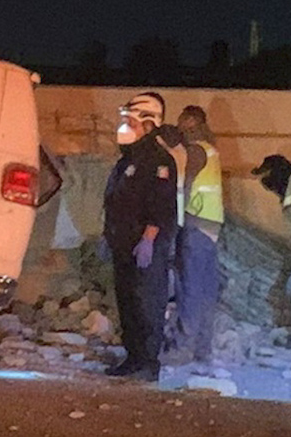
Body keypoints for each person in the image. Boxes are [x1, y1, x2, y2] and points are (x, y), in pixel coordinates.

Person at [103, 92, 177, 381]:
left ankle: (147, 363)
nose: (125, 127)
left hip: (145, 246)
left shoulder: (159, 160)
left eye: (131, 121)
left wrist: (148, 239)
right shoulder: (128, 159)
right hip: (123, 243)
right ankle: (132, 358)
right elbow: (116, 200)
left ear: (149, 124)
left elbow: (160, 204)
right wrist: (107, 235)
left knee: (146, 303)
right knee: (128, 303)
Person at [167, 106, 223, 363]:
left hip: (195, 225)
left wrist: (173, 224)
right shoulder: (211, 150)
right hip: (211, 226)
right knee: (205, 290)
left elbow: (183, 188)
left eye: (182, 124)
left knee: (188, 288)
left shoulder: (195, 151)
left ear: (190, 123)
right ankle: (202, 348)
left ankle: (183, 349)